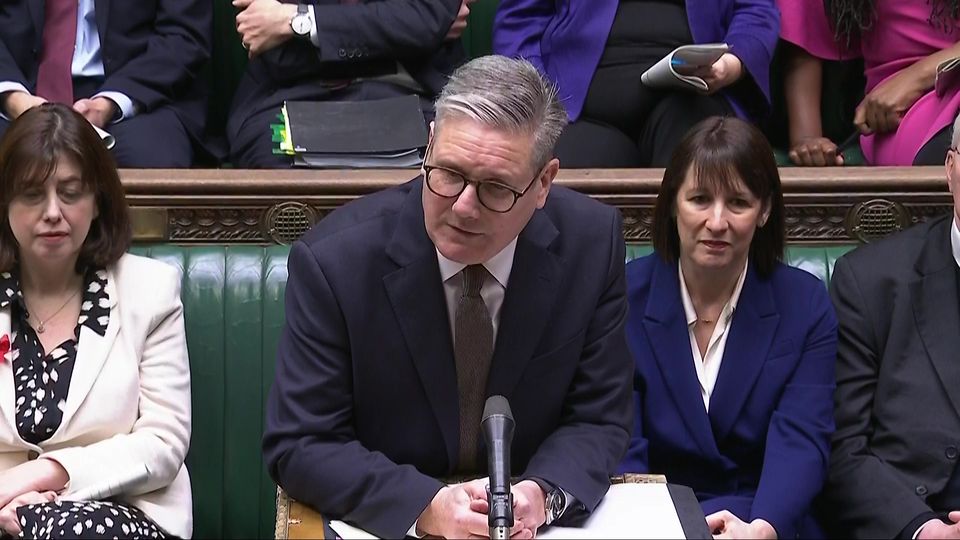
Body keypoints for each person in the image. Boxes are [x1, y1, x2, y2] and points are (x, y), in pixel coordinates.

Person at [263, 55, 633, 538]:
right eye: (449, 173)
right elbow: (301, 442)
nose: (463, 206)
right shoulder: (336, 262)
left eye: (496, 188)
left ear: (543, 183)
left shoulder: (591, 243)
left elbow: (599, 417)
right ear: (431, 141)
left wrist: (543, 493)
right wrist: (425, 506)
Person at [619, 116, 837, 539]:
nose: (717, 222)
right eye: (699, 199)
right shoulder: (625, 297)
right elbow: (620, 440)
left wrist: (762, 527)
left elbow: (802, 436)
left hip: (766, 518)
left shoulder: (804, 303)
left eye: (737, 203)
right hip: (651, 520)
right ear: (672, 205)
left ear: (765, 210)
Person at [0, 104, 191, 539]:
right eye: (32, 194)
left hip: (114, 515)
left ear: (97, 202)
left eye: (70, 193)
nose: (52, 212)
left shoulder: (149, 292)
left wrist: (42, 480)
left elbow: (163, 445)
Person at [818, 114, 960, 538]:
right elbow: (841, 450)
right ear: (952, 168)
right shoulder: (870, 282)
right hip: (913, 522)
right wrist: (922, 529)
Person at [492, 0, 779, 168]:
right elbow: (519, 21)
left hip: (692, 95)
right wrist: (540, 97)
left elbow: (756, 10)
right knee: (556, 180)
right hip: (576, 107)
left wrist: (733, 62)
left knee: (704, 166)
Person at [227, 0, 473, 168]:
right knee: (272, 167)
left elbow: (424, 20)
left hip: (415, 91)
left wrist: (300, 21)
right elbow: (275, 48)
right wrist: (401, 27)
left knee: (450, 167)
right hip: (294, 93)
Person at [0, 0, 212, 168]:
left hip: (137, 92)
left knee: (151, 161)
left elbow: (183, 35)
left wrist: (109, 103)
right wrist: (13, 98)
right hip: (18, 88)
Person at [778, 0, 960, 166]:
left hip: (911, 85)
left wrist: (916, 77)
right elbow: (804, 41)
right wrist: (808, 140)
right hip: (898, 109)